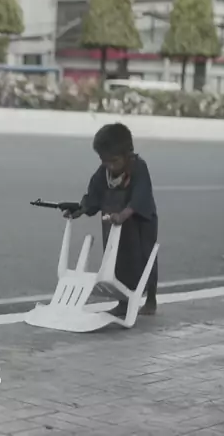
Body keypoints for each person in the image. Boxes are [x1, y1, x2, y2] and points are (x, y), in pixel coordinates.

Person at [64, 123, 159, 316]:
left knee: (144, 259)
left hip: (139, 224)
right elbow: (93, 195)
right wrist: (79, 210)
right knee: (118, 263)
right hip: (114, 225)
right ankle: (123, 303)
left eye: (114, 161)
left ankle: (150, 300)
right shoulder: (104, 172)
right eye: (104, 160)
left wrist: (123, 215)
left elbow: (140, 196)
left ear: (128, 154)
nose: (109, 165)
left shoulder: (138, 167)